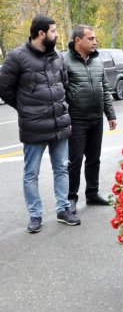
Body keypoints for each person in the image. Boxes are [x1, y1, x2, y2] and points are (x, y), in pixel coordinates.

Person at [0, 14, 81, 232]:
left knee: (62, 169)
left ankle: (64, 209)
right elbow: (4, 89)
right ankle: (35, 215)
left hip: (60, 124)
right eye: (53, 31)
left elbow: (64, 83)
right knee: (31, 174)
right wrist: (25, 108)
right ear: (41, 33)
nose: (57, 35)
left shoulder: (57, 57)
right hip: (34, 126)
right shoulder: (16, 57)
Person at [63, 25, 117, 213]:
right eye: (90, 38)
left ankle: (92, 193)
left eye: (95, 39)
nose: (95, 42)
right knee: (75, 161)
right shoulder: (64, 61)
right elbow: (59, 91)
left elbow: (104, 88)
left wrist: (110, 114)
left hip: (96, 119)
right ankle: (71, 198)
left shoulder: (96, 61)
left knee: (94, 158)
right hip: (76, 119)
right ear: (78, 41)